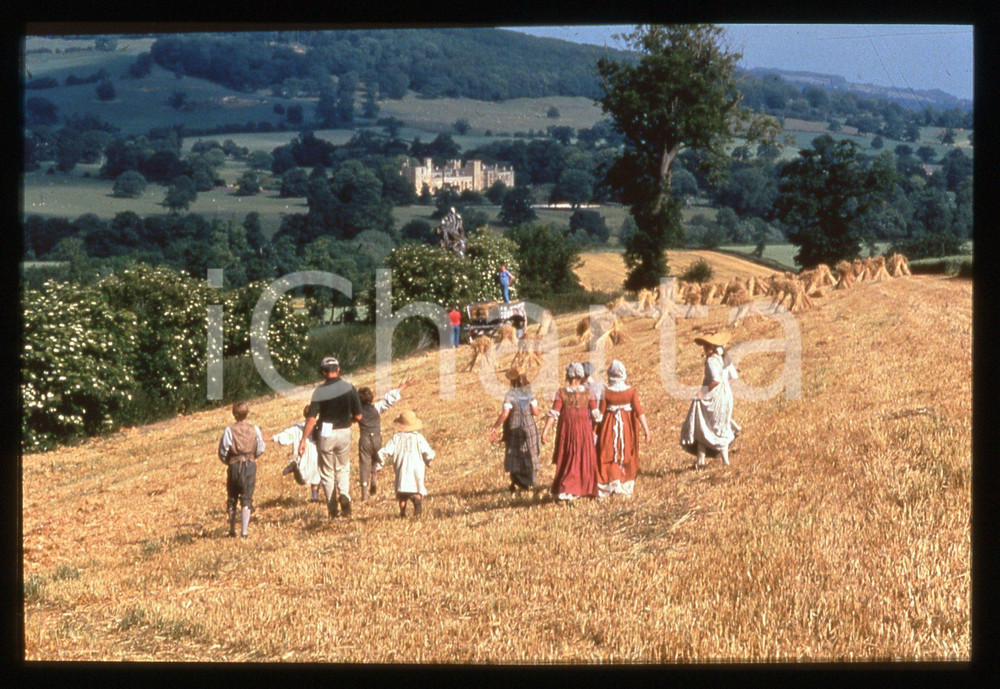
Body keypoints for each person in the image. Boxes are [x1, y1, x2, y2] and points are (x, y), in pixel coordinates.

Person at [299, 357, 362, 519]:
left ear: (323, 372)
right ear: (338, 370)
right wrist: (350, 421)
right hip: (344, 431)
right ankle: (345, 495)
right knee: (342, 467)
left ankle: (333, 510)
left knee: (327, 472)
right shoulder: (349, 388)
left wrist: (303, 440)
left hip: (326, 433)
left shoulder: (319, 391)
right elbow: (359, 416)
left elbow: (312, 418)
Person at [680, 332, 741, 468]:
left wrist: (702, 393)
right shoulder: (725, 358)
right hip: (726, 396)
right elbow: (733, 378)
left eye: (707, 345)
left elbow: (715, 381)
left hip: (713, 397)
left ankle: (715, 461)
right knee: (719, 427)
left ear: (713, 347)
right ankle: (703, 461)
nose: (704, 347)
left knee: (704, 425)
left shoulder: (712, 360)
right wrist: (725, 391)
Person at [540, 362, 598, 501]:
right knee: (581, 458)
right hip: (584, 430)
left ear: (568, 375)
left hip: (567, 430)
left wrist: (545, 431)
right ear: (581, 376)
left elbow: (554, 413)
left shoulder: (561, 392)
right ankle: (577, 488)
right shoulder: (589, 393)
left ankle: (567, 488)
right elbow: (596, 414)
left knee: (569, 457)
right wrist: (594, 431)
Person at [595, 360, 651, 498]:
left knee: (610, 452)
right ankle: (623, 483)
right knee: (624, 451)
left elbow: (600, 415)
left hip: (609, 427)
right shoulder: (631, 392)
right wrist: (646, 431)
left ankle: (613, 483)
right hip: (626, 427)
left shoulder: (606, 392)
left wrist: (594, 430)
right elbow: (639, 412)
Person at [488, 364, 541, 492]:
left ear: (512, 380)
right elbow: (535, 412)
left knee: (515, 452)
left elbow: (505, 414)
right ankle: (529, 480)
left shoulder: (510, 395)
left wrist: (495, 426)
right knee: (530, 451)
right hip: (529, 426)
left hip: (514, 426)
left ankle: (517, 481)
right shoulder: (529, 392)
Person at [356, 379, 411, 501]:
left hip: (364, 438)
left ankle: (364, 493)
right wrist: (402, 387)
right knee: (377, 459)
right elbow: (389, 400)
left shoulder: (358, 412)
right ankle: (374, 478)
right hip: (376, 437)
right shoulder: (376, 407)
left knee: (364, 464)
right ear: (371, 398)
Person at [217, 401, 266, 538]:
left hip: (234, 465)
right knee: (247, 498)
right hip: (249, 464)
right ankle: (244, 532)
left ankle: (232, 530)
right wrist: (253, 456)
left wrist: (228, 461)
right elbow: (261, 447)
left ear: (234, 414)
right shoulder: (255, 429)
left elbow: (223, 449)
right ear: (247, 413)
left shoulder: (229, 430)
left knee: (232, 497)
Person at [376, 409, 436, 518]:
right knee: (417, 488)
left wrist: (379, 463)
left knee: (402, 493)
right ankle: (417, 502)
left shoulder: (397, 437)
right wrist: (429, 461)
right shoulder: (418, 437)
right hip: (416, 466)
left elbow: (386, 451)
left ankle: (402, 513)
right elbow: (427, 452)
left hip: (401, 466)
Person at [270, 404, 323, 503]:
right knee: (316, 477)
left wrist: (272, 438)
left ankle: (296, 468)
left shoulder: (297, 428)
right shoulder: (318, 427)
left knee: (301, 480)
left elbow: (285, 435)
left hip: (300, 455)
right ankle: (314, 496)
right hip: (315, 456)